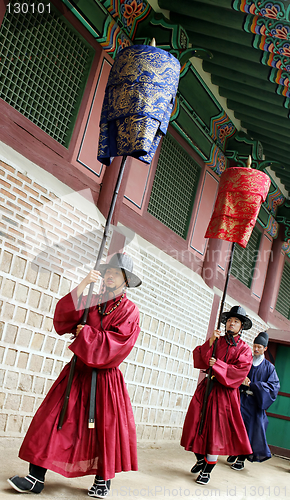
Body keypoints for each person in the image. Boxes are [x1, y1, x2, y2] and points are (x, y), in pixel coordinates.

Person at [8, 253, 142, 498]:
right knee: (49, 421)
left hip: (104, 378)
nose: (110, 276)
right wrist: (82, 285)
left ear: (126, 280)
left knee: (104, 429)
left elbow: (119, 344)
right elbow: (63, 319)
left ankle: (103, 480)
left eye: (116, 273)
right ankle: (36, 477)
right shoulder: (91, 298)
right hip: (76, 372)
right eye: (108, 271)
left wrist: (87, 334)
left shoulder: (130, 310)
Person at [181, 305, 253, 485]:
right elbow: (200, 356)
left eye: (236, 321)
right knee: (195, 423)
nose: (231, 324)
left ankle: (207, 470)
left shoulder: (244, 349)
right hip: (207, 388)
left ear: (241, 326)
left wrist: (218, 365)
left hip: (225, 394)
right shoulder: (217, 340)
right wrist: (211, 341)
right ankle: (200, 458)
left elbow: (240, 371)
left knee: (216, 432)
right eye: (229, 320)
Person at [227, 331, 280, 471]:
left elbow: (273, 387)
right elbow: (235, 372)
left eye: (259, 347)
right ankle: (234, 452)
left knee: (250, 431)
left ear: (265, 349)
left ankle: (241, 459)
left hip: (255, 404)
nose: (256, 349)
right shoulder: (246, 361)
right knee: (236, 426)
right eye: (254, 346)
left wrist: (252, 385)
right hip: (240, 398)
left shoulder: (269, 368)